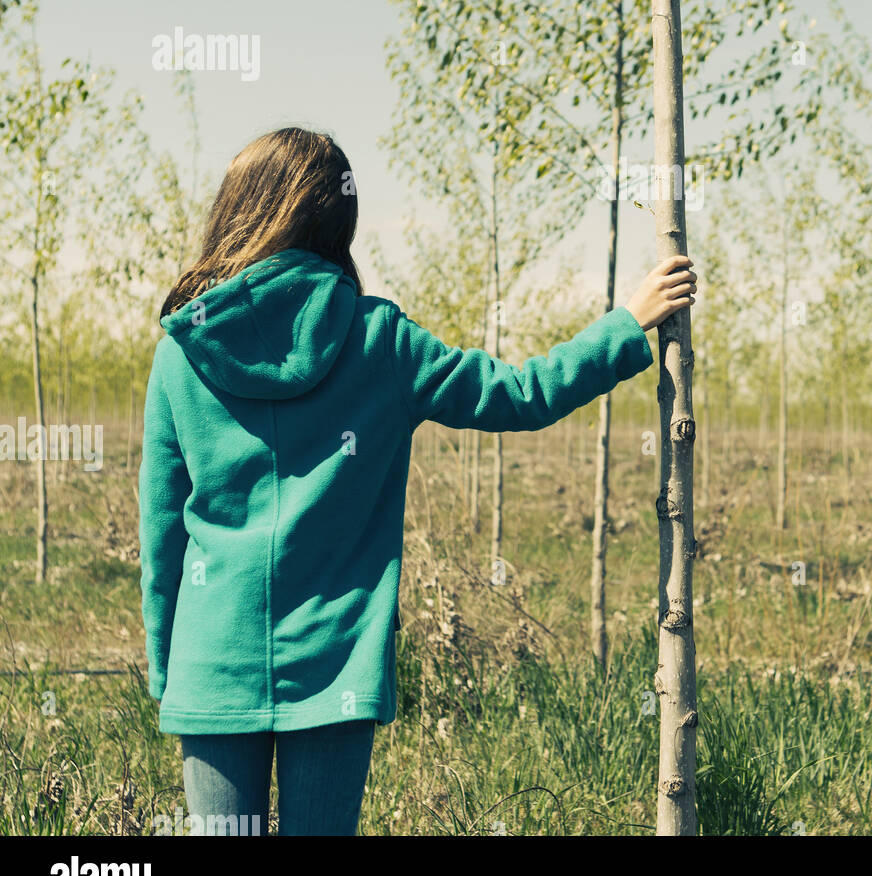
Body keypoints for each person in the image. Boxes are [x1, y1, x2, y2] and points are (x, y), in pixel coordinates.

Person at [139, 126, 695, 835]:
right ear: (335, 218)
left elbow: (160, 537)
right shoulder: (380, 340)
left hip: (210, 666)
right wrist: (623, 327)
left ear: (238, 211)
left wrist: (169, 674)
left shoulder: (183, 354)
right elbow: (516, 395)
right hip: (334, 667)